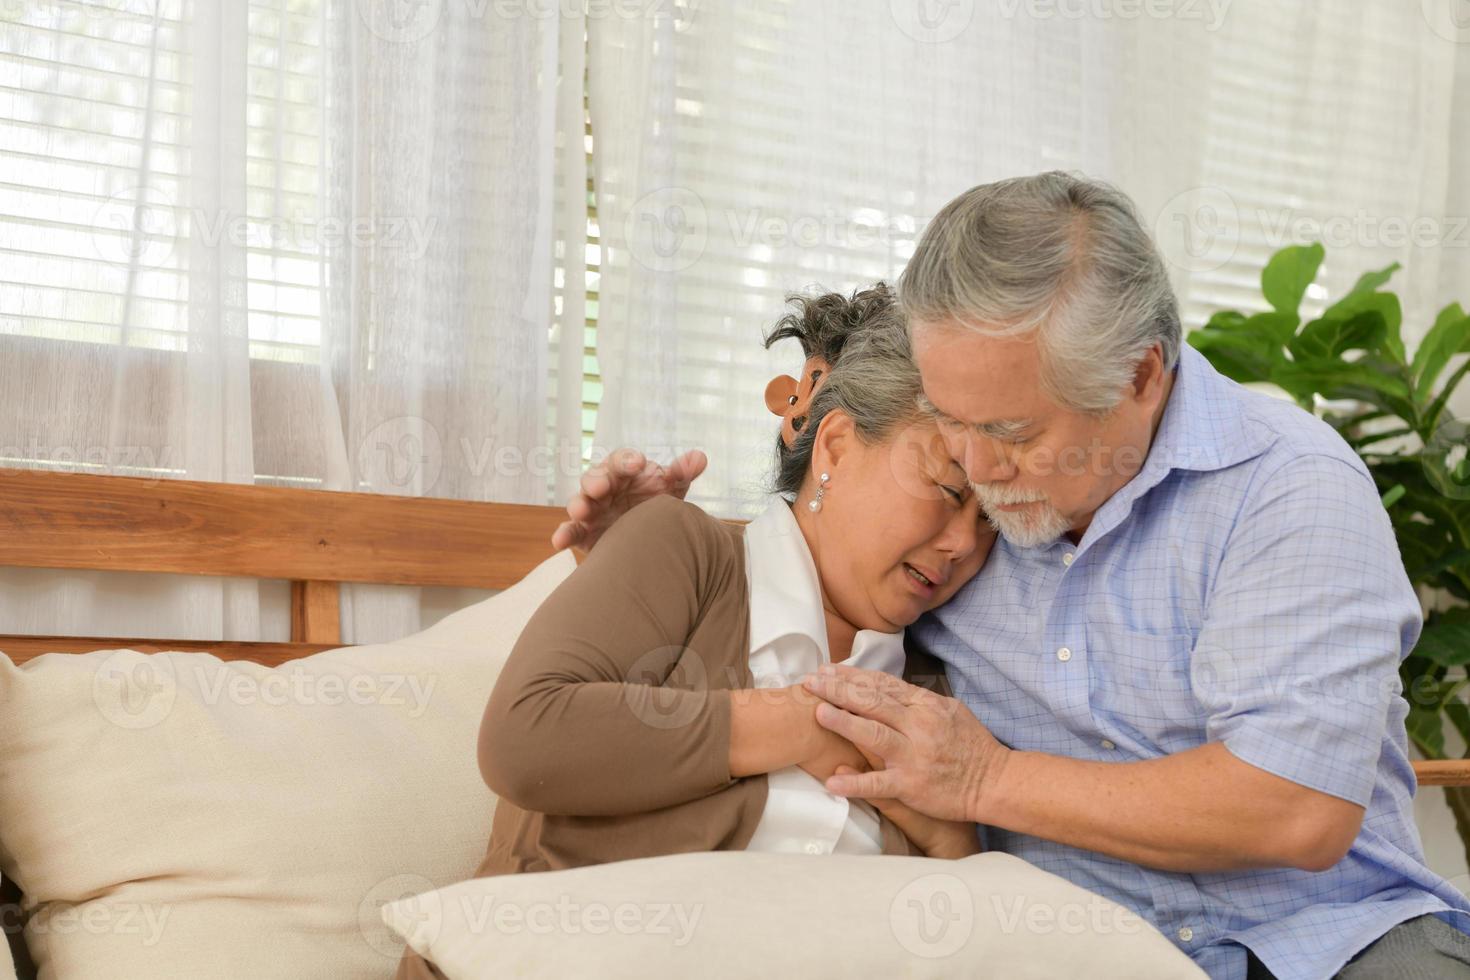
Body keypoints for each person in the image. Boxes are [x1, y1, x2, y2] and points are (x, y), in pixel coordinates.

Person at [556, 172, 1470, 980]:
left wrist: (986, 781)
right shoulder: (964, 522)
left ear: (1142, 375)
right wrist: (647, 544)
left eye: (1015, 434)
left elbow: (1295, 810)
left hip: (1328, 942)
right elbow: (830, 547)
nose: (979, 475)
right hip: (1063, 943)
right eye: (953, 426)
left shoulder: (1290, 491)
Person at [394, 284, 994, 980]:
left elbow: (966, 934)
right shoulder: (687, 550)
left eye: (992, 523)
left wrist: (950, 832)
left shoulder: (934, 682)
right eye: (950, 490)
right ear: (835, 446)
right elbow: (524, 736)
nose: (963, 545)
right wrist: (809, 724)